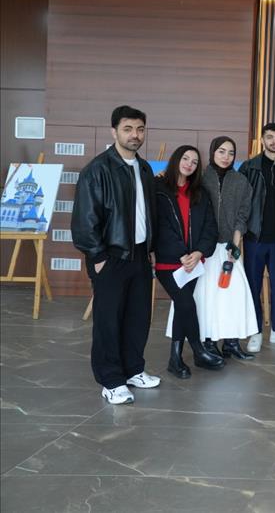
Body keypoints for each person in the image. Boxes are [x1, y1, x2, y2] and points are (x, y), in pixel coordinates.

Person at [72, 105, 160, 404]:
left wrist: (150, 249)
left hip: (140, 255)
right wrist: (98, 257)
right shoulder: (97, 170)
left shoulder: (144, 169)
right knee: (108, 321)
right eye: (128, 129)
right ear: (114, 132)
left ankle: (133, 370)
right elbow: (84, 221)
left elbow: (149, 213)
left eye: (140, 129)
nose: (135, 135)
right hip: (110, 257)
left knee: (138, 318)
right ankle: (111, 381)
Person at [155, 145, 225, 377]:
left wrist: (198, 253)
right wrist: (181, 253)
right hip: (169, 261)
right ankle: (198, 350)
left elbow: (210, 228)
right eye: (185, 159)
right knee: (185, 303)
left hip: (193, 263)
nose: (189, 164)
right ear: (176, 159)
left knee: (182, 304)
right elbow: (160, 226)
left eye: (194, 162)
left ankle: (175, 358)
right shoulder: (159, 188)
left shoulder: (200, 193)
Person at [197, 136, 258, 360]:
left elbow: (243, 215)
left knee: (234, 295)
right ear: (212, 152)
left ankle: (231, 343)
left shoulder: (241, 181)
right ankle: (210, 341)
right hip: (205, 248)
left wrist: (235, 244)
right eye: (221, 151)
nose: (226, 157)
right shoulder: (200, 178)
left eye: (231, 153)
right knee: (208, 298)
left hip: (228, 248)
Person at [239, 123, 275, 352]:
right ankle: (255, 331)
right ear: (262, 140)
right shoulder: (249, 167)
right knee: (253, 285)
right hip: (255, 236)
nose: (274, 141)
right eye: (270, 137)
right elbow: (241, 202)